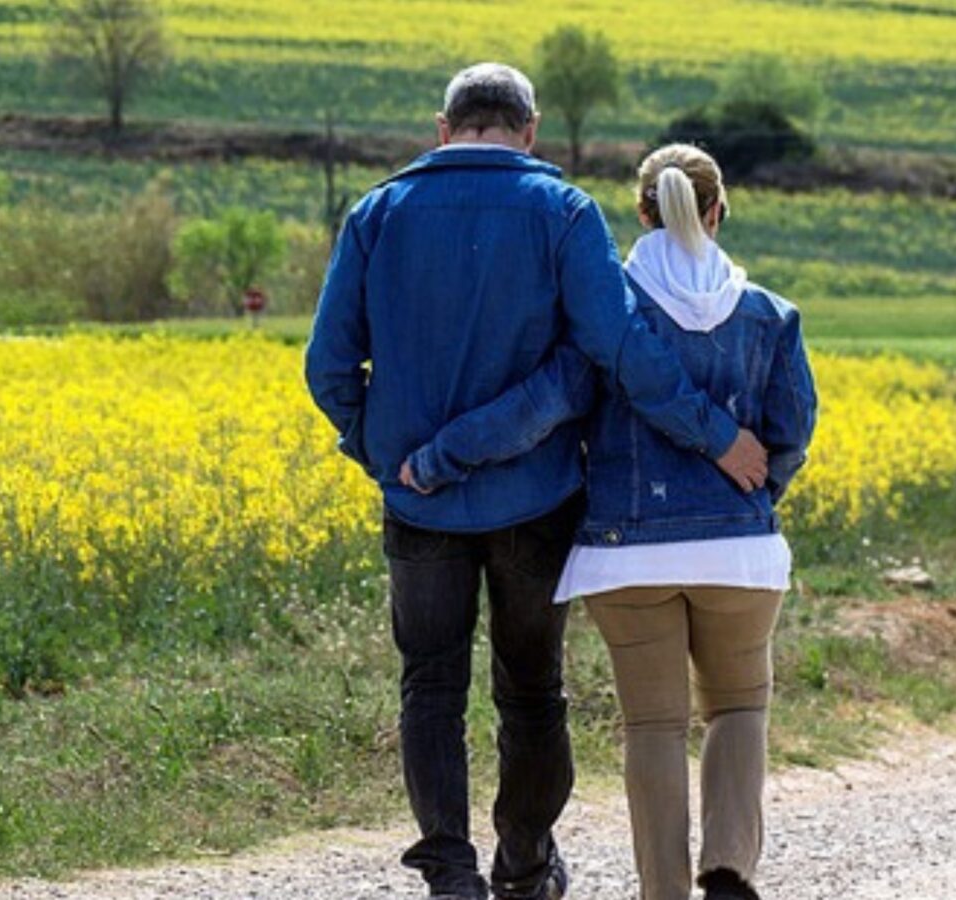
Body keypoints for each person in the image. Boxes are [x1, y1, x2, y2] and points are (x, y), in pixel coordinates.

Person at [304, 64, 770, 900]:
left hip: (419, 505)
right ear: (530, 130)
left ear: (444, 129)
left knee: (430, 686)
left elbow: (328, 365)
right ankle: (524, 865)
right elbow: (615, 354)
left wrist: (384, 454)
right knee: (531, 690)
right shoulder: (563, 213)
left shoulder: (376, 213)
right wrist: (716, 436)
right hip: (537, 499)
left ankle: (450, 870)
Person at [557, 143, 817, 900]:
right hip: (738, 556)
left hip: (623, 557)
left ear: (640, 212)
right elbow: (792, 428)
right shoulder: (769, 313)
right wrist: (756, 502)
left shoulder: (609, 317)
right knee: (738, 705)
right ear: (718, 211)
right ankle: (729, 867)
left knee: (654, 727)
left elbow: (566, 409)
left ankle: (662, 892)